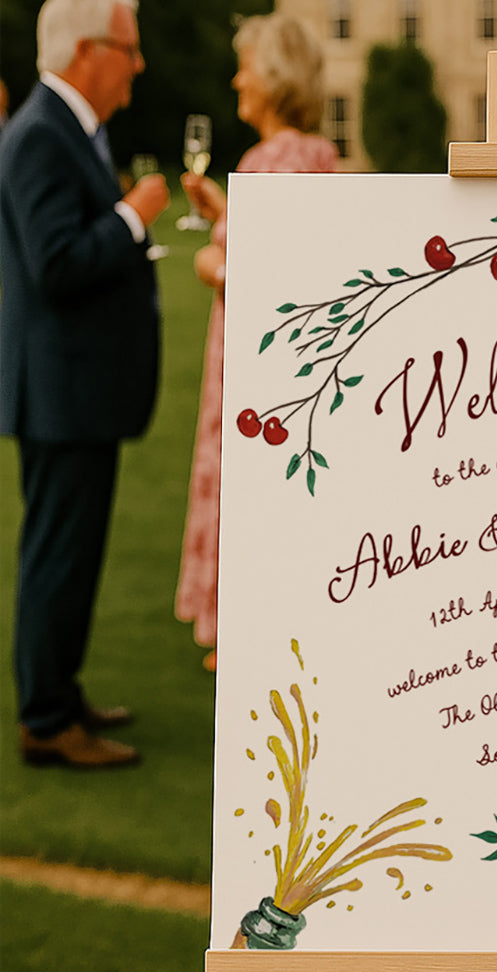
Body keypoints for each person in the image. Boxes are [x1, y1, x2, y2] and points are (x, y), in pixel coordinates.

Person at [0, 0, 169, 766]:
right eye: (128, 51)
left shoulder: (68, 131)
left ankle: (59, 695)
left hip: (80, 392)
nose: (137, 66)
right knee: (57, 556)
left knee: (71, 553)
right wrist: (134, 218)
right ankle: (44, 719)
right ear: (88, 50)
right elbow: (57, 264)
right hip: (61, 393)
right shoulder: (40, 133)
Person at [174, 13, 338, 671]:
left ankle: (243, 631)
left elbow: (267, 275)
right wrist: (222, 213)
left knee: (244, 477)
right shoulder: (316, 157)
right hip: (290, 366)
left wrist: (209, 263)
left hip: (250, 361)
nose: (237, 78)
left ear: (272, 79)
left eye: (247, 66)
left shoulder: (271, 162)